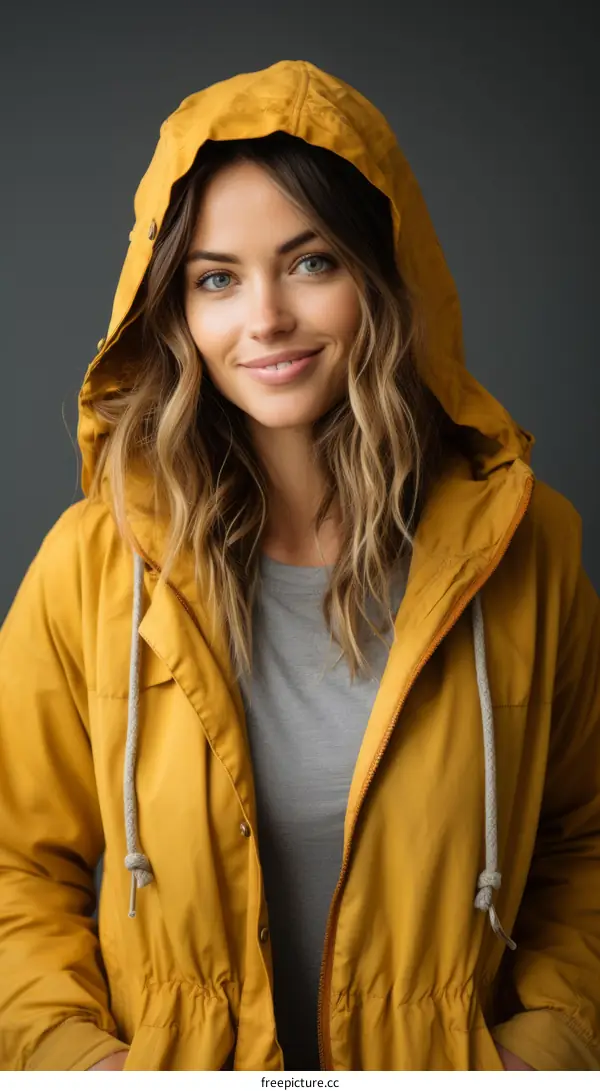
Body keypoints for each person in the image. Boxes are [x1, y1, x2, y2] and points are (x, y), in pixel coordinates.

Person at [0, 59, 599, 1074]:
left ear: (380, 269)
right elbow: (15, 866)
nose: (265, 316)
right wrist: (86, 1068)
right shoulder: (93, 565)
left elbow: (585, 849)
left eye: (311, 261)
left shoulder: (527, 547)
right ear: (176, 308)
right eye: (217, 277)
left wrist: (539, 1056)